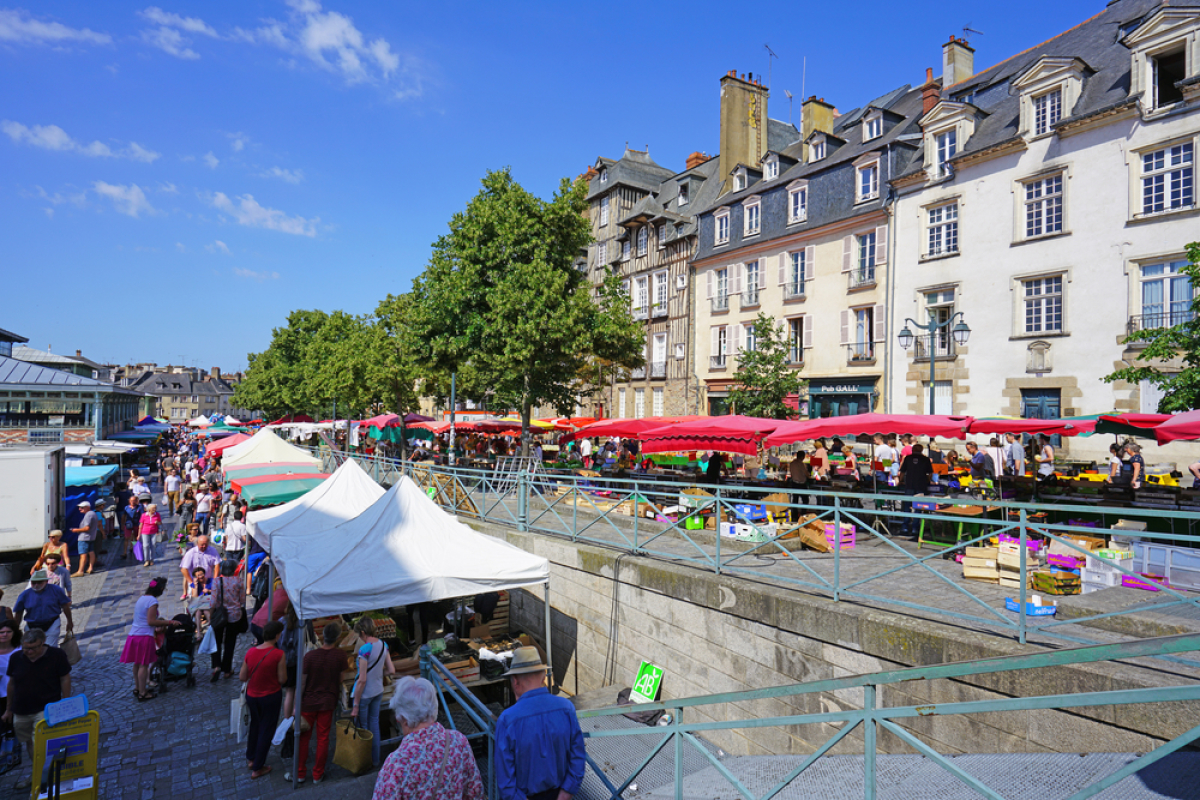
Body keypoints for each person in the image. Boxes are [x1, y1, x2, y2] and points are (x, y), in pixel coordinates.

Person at [371, 676, 484, 800]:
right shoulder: (459, 742)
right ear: (434, 707)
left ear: (402, 719)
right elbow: (475, 792)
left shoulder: (395, 765)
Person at [495, 647, 585, 800]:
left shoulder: (507, 720)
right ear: (544, 676)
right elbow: (578, 756)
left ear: (515, 681)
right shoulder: (566, 708)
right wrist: (566, 792)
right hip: (560, 795)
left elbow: (506, 783)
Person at [1, 627, 71, 791]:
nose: (29, 651)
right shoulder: (16, 657)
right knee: (30, 745)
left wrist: (66, 703)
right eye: (25, 648)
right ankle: (40, 772)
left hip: (46, 708)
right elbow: (11, 684)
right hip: (21, 709)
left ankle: (43, 777)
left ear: (43, 643)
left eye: (33, 648)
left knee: (40, 742)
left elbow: (65, 678)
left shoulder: (56, 655)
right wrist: (8, 709)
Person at [290, 622, 348, 785]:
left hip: (308, 703)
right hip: (327, 703)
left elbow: (302, 683)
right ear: (337, 638)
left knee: (303, 738)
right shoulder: (341, 656)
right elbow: (341, 679)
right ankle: (317, 774)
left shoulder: (310, 657)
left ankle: (300, 773)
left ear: (322, 636)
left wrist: (296, 705)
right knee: (323, 738)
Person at [240, 619, 287, 780]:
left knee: (255, 725)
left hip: (252, 696)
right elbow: (282, 679)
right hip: (270, 697)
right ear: (277, 635)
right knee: (267, 729)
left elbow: (242, 676)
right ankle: (258, 767)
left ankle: (251, 758)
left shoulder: (250, 652)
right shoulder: (278, 654)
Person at [120, 577, 180, 700]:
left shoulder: (142, 598)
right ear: (161, 589)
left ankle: (138, 688)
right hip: (144, 636)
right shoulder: (152, 601)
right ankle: (143, 693)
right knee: (144, 665)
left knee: (137, 664)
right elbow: (151, 621)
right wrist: (169, 622)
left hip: (133, 635)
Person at [352, 617, 396, 769]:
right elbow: (391, 670)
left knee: (364, 728)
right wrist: (378, 674)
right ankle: (376, 761)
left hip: (365, 695)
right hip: (378, 691)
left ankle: (366, 762)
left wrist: (355, 705)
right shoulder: (384, 645)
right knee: (374, 725)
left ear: (363, 632)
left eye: (359, 635)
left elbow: (362, 680)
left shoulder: (365, 650)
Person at [209, 559, 248, 681]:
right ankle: (227, 669)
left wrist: (210, 617)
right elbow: (242, 600)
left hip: (220, 615)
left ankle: (216, 666)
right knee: (230, 643)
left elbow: (213, 602)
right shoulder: (239, 581)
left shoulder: (217, 581)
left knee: (216, 641)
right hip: (234, 615)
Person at [13, 570, 73, 647]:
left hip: (52, 623)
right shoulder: (24, 595)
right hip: (32, 625)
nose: (36, 585)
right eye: (34, 583)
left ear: (46, 581)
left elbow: (65, 606)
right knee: (32, 648)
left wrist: (69, 622)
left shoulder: (56, 590)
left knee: (50, 648)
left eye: (39, 582)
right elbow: (18, 613)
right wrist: (15, 628)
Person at [899, 444, 934, 536]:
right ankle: (915, 528)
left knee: (907, 506)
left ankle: (905, 527)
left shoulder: (908, 458)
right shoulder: (926, 459)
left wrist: (900, 481)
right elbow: (930, 473)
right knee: (918, 507)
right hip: (921, 486)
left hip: (909, 485)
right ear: (922, 450)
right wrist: (927, 480)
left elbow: (902, 471)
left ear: (913, 449)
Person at [180, 534, 221, 599]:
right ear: (197, 544)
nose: (204, 546)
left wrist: (215, 579)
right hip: (195, 582)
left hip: (208, 581)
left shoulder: (213, 550)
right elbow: (183, 569)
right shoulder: (191, 553)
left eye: (206, 544)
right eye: (202, 545)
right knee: (195, 601)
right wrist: (191, 582)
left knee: (210, 600)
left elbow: (217, 565)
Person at [70, 500, 101, 576]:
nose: (79, 509)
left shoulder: (88, 515)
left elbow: (87, 528)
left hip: (84, 537)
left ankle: (80, 571)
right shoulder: (93, 513)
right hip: (91, 537)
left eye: (81, 507)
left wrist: (76, 530)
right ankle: (90, 568)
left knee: (83, 554)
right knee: (91, 552)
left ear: (87, 507)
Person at [0, 619, 17, 721]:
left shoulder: (20, 650)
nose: (5, 635)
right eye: (1, 632)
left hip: (15, 691)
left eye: (8, 632)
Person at [139, 503, 163, 568]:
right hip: (145, 532)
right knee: (145, 545)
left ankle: (151, 559)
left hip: (154, 532)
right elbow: (141, 525)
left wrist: (157, 523)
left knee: (153, 545)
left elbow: (160, 522)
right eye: (153, 508)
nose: (154, 510)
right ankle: (147, 560)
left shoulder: (157, 514)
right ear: (149, 509)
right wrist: (139, 534)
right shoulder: (144, 515)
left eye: (155, 508)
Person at [122, 493, 142, 559]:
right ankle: (124, 552)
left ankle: (135, 550)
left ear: (136, 501)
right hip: (128, 525)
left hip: (137, 524)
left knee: (136, 538)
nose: (132, 502)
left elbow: (142, 516)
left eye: (133, 500)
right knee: (126, 538)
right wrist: (122, 524)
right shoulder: (126, 507)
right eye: (131, 500)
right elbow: (123, 516)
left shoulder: (139, 507)